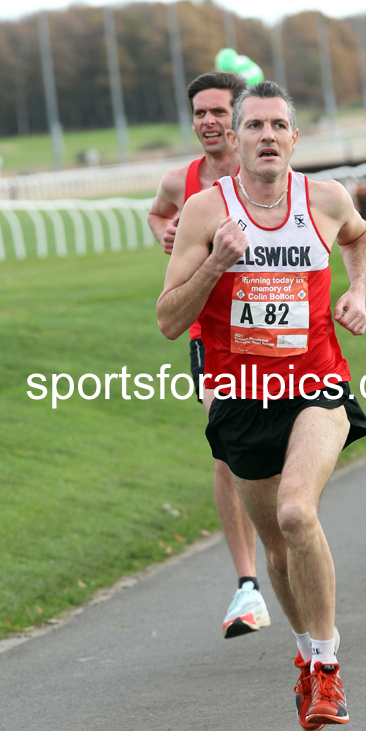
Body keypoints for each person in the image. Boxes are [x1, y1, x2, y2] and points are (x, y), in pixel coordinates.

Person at [156, 81, 366, 730]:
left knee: (295, 514)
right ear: (237, 137)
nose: (268, 136)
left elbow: (358, 238)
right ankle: (306, 662)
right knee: (276, 548)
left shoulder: (326, 200)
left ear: (295, 138)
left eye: (280, 125)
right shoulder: (203, 211)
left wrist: (357, 290)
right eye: (255, 126)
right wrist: (216, 262)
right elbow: (169, 321)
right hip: (240, 398)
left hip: (316, 383)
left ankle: (328, 669)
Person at [148, 72, 270, 640]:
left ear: (238, 117)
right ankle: (247, 584)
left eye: (219, 112)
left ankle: (288, 535)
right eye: (199, 113)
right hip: (209, 328)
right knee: (225, 444)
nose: (208, 122)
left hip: (278, 326)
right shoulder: (182, 181)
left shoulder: (266, 175)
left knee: (281, 444)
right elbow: (156, 214)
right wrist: (168, 235)